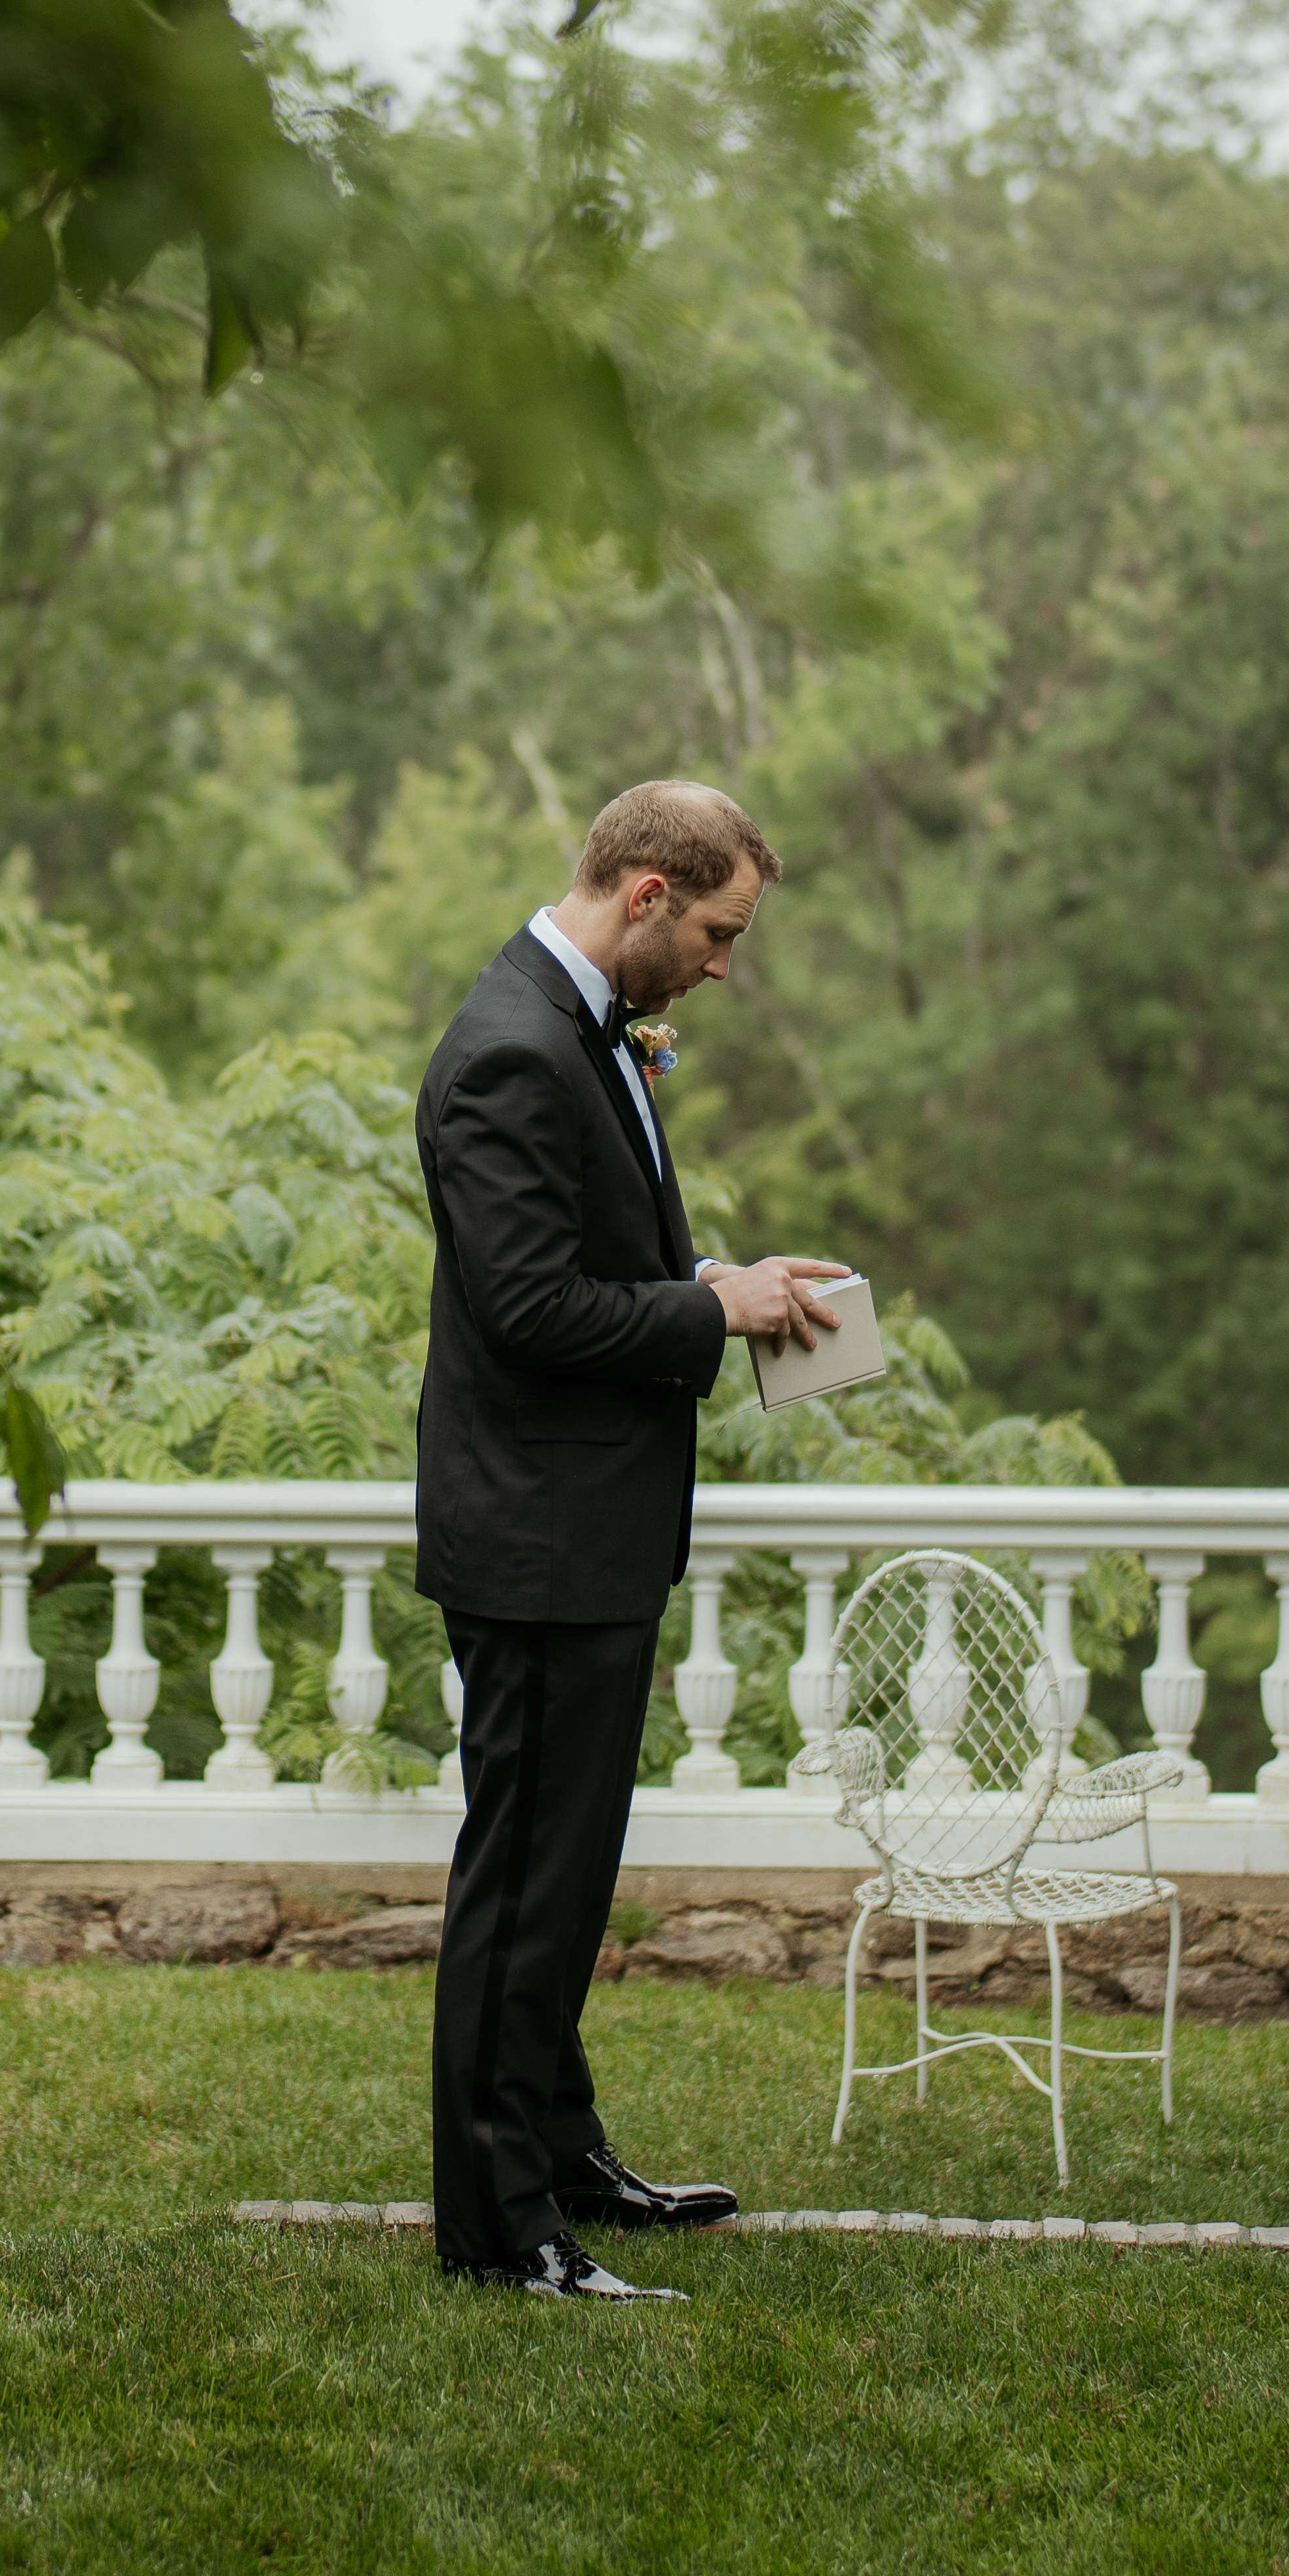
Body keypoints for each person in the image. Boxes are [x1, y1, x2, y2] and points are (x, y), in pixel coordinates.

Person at [412, 780, 848, 2298]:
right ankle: (494, 2222)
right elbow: (524, 1309)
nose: (725, 964)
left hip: (585, 1535)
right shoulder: (507, 1053)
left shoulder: (577, 1022)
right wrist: (702, 1312)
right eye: (720, 930)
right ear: (649, 892)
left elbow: (579, 1255)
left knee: (568, 1872)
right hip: (532, 1542)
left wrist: (711, 1274)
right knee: (521, 1879)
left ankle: (559, 2148)